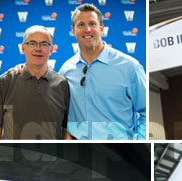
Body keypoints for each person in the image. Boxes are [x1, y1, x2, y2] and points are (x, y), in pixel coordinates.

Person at [61, 3, 146, 140]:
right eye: (81, 25)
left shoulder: (129, 66)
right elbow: (64, 114)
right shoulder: (66, 70)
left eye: (92, 24)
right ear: (73, 30)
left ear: (101, 28)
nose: (87, 29)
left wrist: (139, 143)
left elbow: (146, 111)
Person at [0, 26, 69, 140]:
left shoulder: (62, 85)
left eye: (44, 44)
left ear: (52, 49)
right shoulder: (5, 82)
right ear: (23, 48)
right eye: (32, 43)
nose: (38, 48)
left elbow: (67, 128)